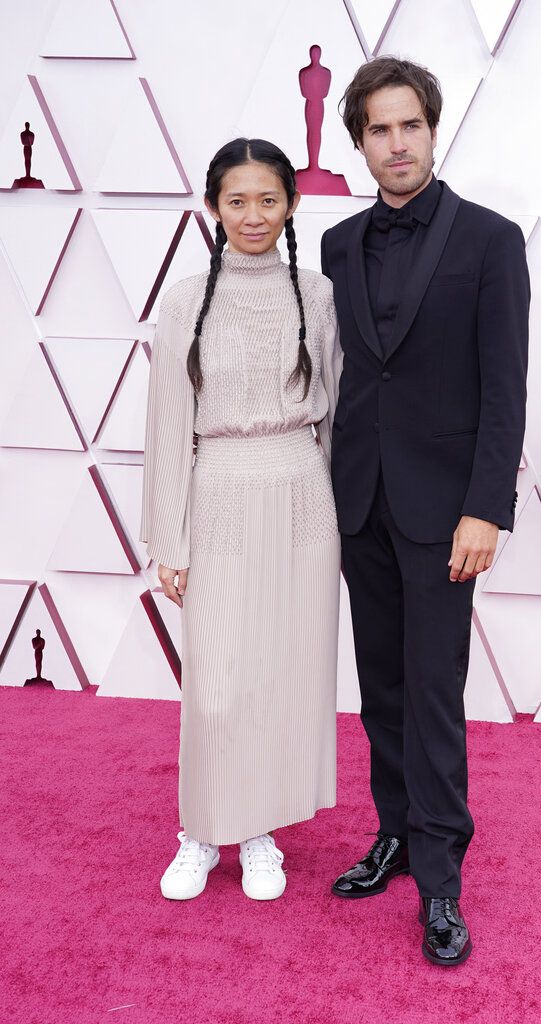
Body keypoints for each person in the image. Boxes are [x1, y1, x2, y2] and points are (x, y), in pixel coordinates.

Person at [320, 57, 530, 966]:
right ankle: (395, 835)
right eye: (379, 129)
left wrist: (487, 508)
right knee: (383, 691)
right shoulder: (335, 244)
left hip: (448, 513)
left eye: (410, 126)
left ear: (433, 131)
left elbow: (505, 389)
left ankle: (442, 880)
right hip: (359, 499)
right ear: (358, 141)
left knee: (435, 694)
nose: (396, 144)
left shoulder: (491, 240)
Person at [139, 138, 342, 903]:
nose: (253, 215)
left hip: (301, 496)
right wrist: (170, 538)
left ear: (290, 203)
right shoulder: (187, 297)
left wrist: (348, 520)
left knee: (278, 677)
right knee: (216, 684)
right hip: (217, 487)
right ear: (212, 206)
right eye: (236, 200)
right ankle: (200, 830)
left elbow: (341, 417)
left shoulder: (317, 295)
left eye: (268, 199)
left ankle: (258, 833)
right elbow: (167, 422)